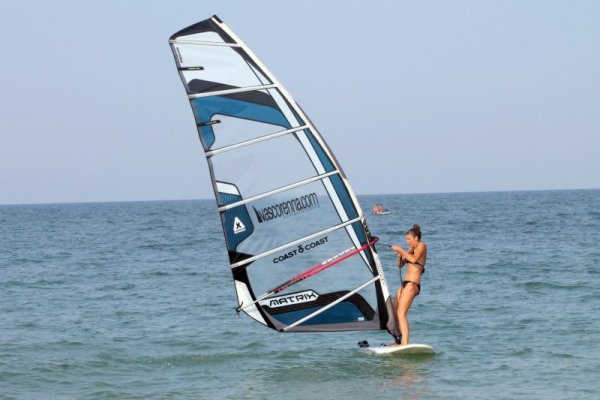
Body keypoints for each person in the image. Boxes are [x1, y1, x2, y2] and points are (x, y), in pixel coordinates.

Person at [390, 224, 427, 345]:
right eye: (406, 239)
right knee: (394, 310)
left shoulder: (421, 245)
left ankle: (405, 342)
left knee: (401, 312)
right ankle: (398, 340)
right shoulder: (409, 250)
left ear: (416, 238)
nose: (407, 242)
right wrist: (399, 255)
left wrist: (401, 250)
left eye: (409, 239)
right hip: (405, 283)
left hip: (413, 283)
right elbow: (400, 265)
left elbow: (414, 260)